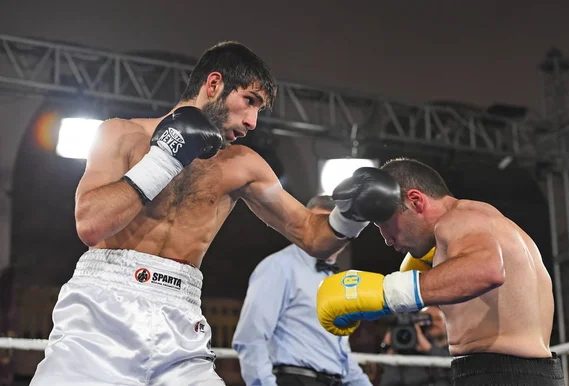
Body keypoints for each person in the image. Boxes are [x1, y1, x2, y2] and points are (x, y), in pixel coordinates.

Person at [29, 42, 401, 386]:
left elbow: (310, 233)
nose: (253, 121)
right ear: (214, 84)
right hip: (101, 311)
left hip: (179, 317)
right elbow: (91, 225)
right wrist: (165, 158)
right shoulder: (120, 134)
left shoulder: (243, 165)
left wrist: (352, 216)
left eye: (259, 109)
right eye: (249, 100)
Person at [316, 158, 565, 385]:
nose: (386, 239)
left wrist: (388, 292)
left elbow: (487, 270)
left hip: (499, 374)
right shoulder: (487, 223)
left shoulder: (457, 220)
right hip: (527, 373)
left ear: (415, 201)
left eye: (386, 223)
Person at [232, 195, 372, 386]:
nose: (326, 234)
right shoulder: (280, 266)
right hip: (294, 379)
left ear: (345, 236)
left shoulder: (337, 281)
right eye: (319, 225)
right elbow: (251, 337)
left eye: (333, 228)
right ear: (305, 225)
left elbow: (339, 353)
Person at [379, 306, 451, 386]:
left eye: (438, 319)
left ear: (447, 323)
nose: (432, 323)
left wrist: (428, 348)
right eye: (425, 320)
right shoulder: (408, 358)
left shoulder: (456, 352)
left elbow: (454, 371)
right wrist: (389, 349)